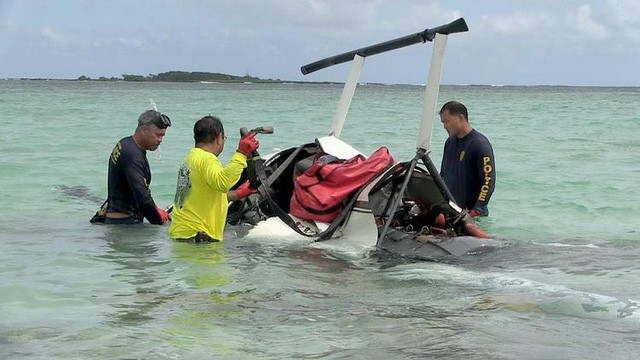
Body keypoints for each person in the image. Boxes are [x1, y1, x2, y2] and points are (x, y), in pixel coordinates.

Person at [169, 115, 259, 243]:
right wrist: (242, 153)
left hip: (183, 233)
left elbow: (205, 193)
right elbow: (223, 183)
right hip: (198, 237)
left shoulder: (190, 158)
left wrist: (238, 194)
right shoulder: (207, 159)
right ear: (219, 137)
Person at [98, 109, 172, 225]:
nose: (160, 140)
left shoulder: (125, 143)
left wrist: (155, 208)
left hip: (115, 218)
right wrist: (159, 222)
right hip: (124, 224)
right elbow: (142, 198)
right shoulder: (133, 156)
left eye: (162, 136)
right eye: (157, 135)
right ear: (143, 130)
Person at [439, 101, 495, 217]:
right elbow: (443, 176)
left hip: (472, 215)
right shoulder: (449, 143)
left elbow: (488, 181)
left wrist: (477, 210)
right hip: (452, 211)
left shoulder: (479, 144)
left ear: (461, 118)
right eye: (443, 123)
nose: (445, 126)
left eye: (447, 121)